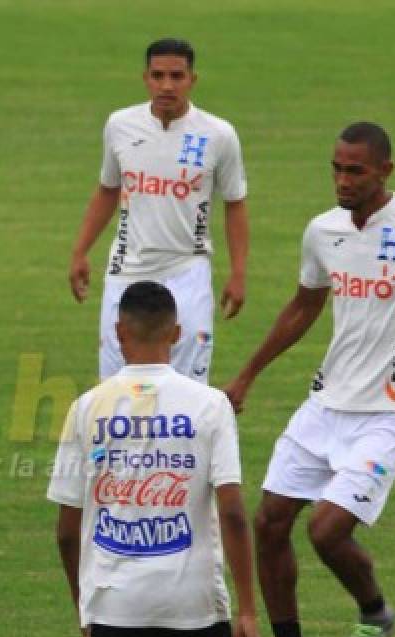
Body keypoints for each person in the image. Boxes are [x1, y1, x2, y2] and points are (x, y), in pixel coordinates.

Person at [48, 281, 258, 637]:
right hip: (195, 605)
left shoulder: (87, 406)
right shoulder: (210, 406)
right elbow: (231, 511)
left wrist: (84, 604)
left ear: (118, 332)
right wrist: (249, 608)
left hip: (118, 604)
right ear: (178, 333)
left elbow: (66, 529)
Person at [228, 122, 395, 637]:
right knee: (270, 521)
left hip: (390, 411)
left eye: (355, 170)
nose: (343, 179)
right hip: (325, 405)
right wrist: (248, 374)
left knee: (327, 531)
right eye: (337, 167)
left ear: (385, 171)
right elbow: (304, 307)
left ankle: (376, 614)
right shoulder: (323, 231)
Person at [68, 38, 249, 384]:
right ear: (145, 78)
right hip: (127, 268)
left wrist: (238, 273)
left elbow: (235, 203)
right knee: (116, 385)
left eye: (177, 76)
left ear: (192, 79)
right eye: (158, 75)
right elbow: (108, 189)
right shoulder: (120, 125)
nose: (167, 85)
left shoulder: (218, 135)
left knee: (188, 386)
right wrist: (80, 251)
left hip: (187, 270)